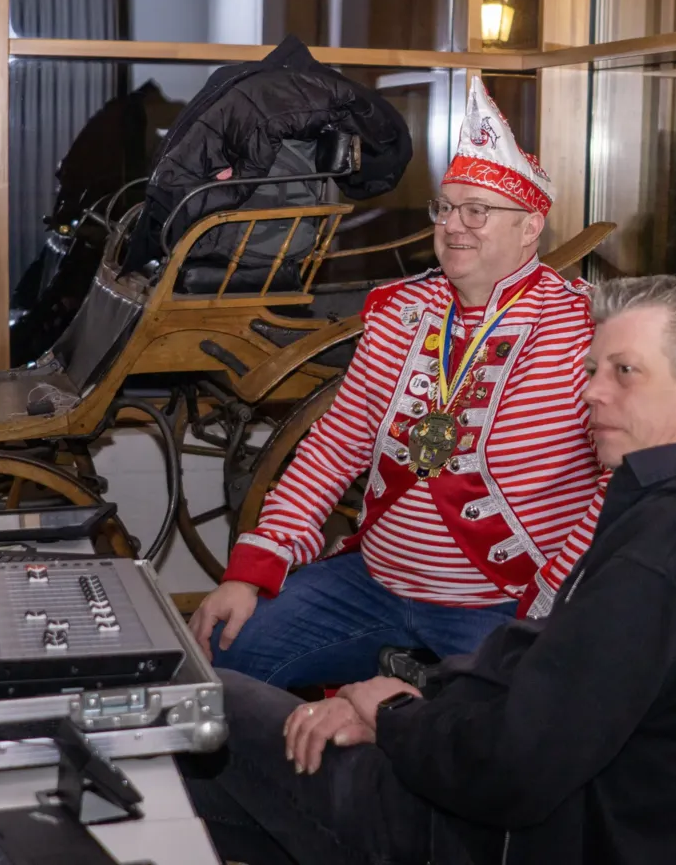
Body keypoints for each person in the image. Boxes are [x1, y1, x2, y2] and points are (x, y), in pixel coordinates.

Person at [179, 275, 676, 865]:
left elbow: (517, 765)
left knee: (217, 709)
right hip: (578, 810)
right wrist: (422, 697)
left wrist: (393, 715)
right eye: (591, 369)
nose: (591, 392)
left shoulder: (665, 553)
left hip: (513, 836)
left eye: (625, 372)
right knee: (242, 794)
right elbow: (550, 685)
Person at [187, 76, 608, 686]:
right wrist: (248, 573)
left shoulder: (581, 328)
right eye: (446, 207)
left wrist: (557, 599)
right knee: (224, 655)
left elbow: (619, 478)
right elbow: (334, 449)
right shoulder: (399, 313)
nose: (454, 225)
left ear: (529, 227)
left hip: (503, 605)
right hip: (372, 584)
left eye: (478, 210)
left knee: (507, 728)